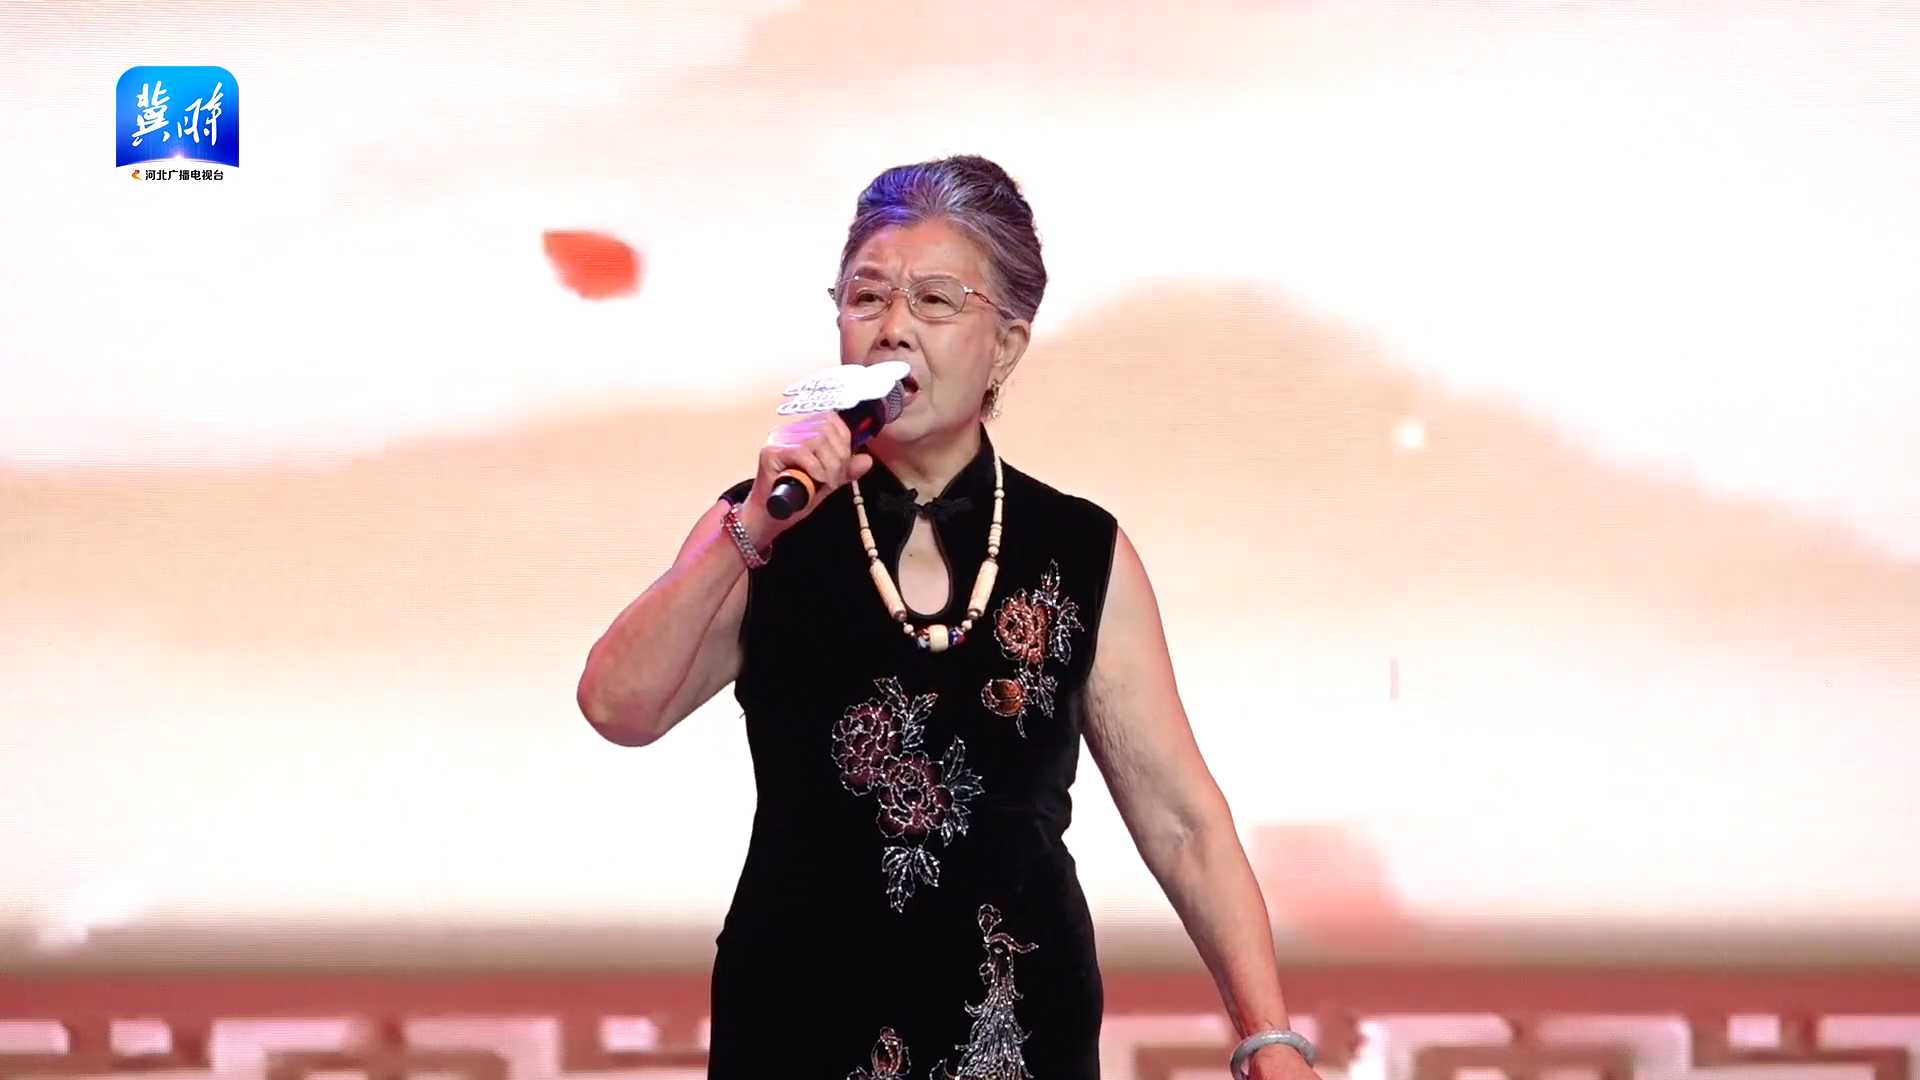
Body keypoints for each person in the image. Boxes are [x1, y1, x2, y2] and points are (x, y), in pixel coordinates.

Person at [577, 155, 1321, 1080]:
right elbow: (619, 707)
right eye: (866, 297)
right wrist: (754, 524)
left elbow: (1182, 824)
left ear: (1005, 346)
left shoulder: (1077, 549)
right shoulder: (764, 526)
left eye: (933, 301)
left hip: (1015, 1028)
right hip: (799, 1024)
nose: (891, 329)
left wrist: (1268, 1037)